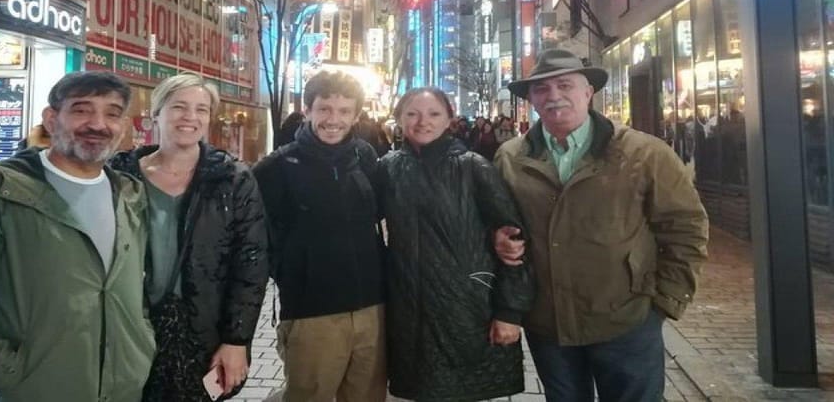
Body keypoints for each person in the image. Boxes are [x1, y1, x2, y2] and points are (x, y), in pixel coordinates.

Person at [0, 71, 155, 401]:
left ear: (123, 126)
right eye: (81, 109)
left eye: (112, 113)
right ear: (51, 120)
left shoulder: (129, 196)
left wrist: (141, 346)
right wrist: (5, 374)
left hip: (118, 390)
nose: (98, 124)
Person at [494, 49, 709, 401]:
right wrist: (498, 238)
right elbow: (499, 220)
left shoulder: (644, 153)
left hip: (626, 318)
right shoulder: (511, 158)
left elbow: (685, 227)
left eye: (565, 85)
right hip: (549, 322)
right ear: (531, 99)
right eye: (542, 90)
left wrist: (665, 302)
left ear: (588, 91)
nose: (554, 97)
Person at [109, 73, 268, 401]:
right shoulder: (120, 175)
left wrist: (237, 340)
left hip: (204, 329)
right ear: (157, 112)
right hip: (130, 327)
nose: (190, 117)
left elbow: (250, 263)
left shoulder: (231, 178)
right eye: (178, 107)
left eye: (201, 109)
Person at [377, 87, 534, 401]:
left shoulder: (472, 166)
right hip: (410, 311)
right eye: (412, 114)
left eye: (434, 114)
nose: (423, 122)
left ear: (449, 119)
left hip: (467, 310)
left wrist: (510, 312)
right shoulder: (388, 168)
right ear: (399, 119)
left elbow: (514, 241)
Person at [252, 70, 386, 402]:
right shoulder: (277, 167)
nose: (333, 120)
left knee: (368, 396)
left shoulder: (365, 157)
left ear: (356, 116)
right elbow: (254, 238)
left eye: (344, 112)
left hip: (372, 306)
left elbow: (379, 215)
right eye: (324, 109)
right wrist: (292, 270)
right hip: (312, 311)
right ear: (308, 110)